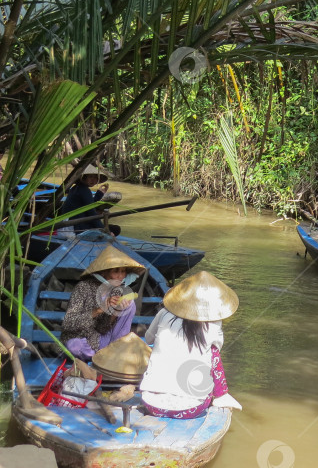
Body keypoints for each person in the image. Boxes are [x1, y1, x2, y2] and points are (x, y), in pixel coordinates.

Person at [140, 270, 241, 419]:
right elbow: (216, 349)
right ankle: (221, 396)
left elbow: (148, 339)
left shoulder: (164, 313)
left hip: (152, 405)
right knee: (212, 352)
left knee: (158, 347)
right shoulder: (213, 323)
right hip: (191, 408)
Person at [61, 245, 144, 361]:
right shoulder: (83, 288)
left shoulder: (116, 290)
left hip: (102, 340)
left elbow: (102, 328)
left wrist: (115, 311)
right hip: (82, 340)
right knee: (74, 346)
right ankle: (107, 356)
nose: (121, 276)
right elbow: (68, 324)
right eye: (116, 271)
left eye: (123, 271)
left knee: (130, 305)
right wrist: (99, 310)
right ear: (104, 272)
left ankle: (117, 350)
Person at [61, 164, 121, 236]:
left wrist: (99, 193)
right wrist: (106, 231)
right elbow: (92, 214)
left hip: (68, 226)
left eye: (95, 177)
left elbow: (89, 205)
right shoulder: (84, 190)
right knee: (116, 229)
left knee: (112, 228)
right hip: (75, 229)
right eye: (90, 177)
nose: (93, 180)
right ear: (83, 178)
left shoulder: (76, 188)